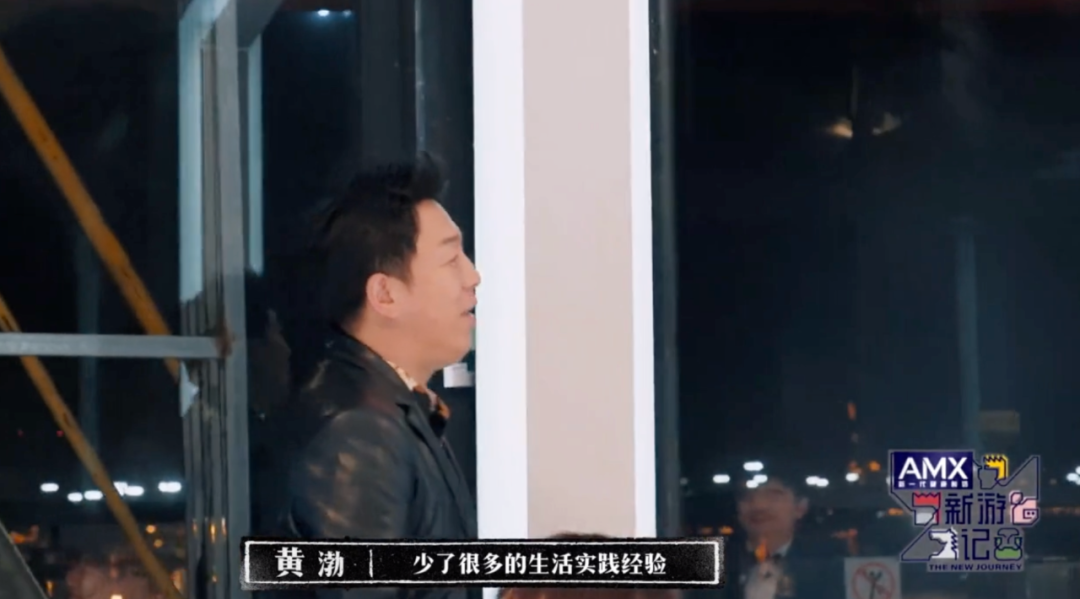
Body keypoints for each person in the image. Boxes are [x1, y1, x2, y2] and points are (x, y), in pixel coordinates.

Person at [263, 152, 480, 597]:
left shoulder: (394, 410)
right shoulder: (357, 430)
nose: (473, 276)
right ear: (385, 294)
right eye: (451, 259)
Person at [722, 470, 845, 599]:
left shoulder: (827, 561)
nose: (758, 505)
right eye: (747, 496)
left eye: (773, 496)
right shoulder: (712, 557)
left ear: (800, 507)